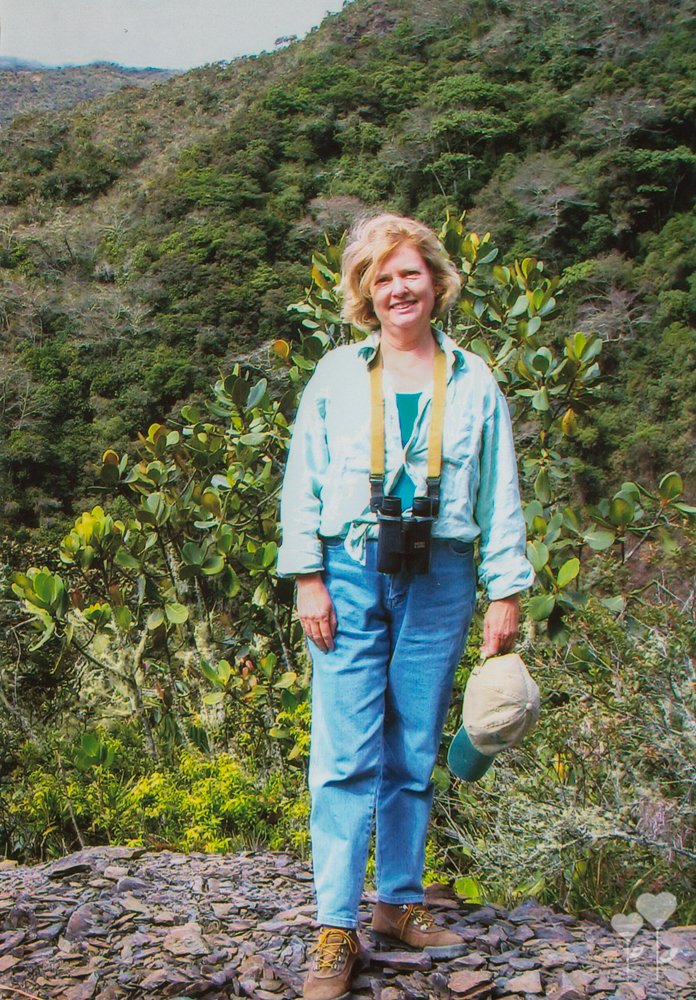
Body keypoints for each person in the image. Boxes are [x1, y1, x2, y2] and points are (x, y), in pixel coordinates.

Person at [277, 213, 534, 1000]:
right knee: (346, 748)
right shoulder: (336, 375)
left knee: (413, 744)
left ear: (436, 281)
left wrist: (508, 588)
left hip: (443, 572)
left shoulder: (474, 378)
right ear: (366, 292)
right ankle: (333, 924)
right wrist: (307, 577)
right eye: (383, 277)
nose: (399, 289)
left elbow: (500, 489)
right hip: (350, 570)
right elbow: (301, 480)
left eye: (410, 273)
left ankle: (397, 901)